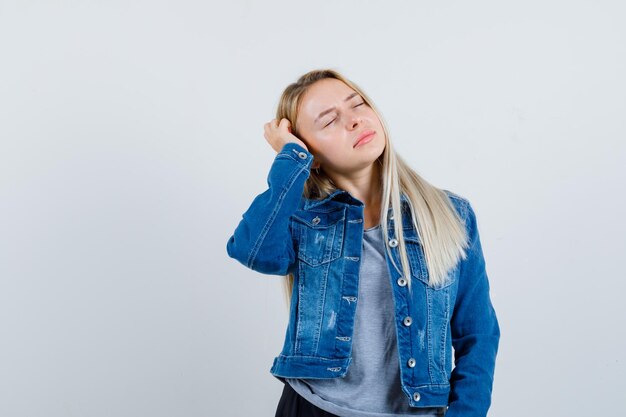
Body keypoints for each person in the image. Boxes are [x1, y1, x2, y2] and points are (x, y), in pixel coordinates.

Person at [226, 69, 500, 417]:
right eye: (329, 120)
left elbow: (478, 335)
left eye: (357, 104)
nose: (354, 121)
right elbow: (252, 251)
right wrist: (290, 159)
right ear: (310, 152)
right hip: (313, 408)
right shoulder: (299, 219)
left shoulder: (451, 214)